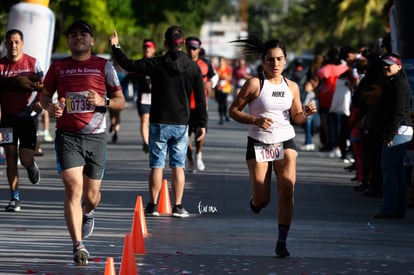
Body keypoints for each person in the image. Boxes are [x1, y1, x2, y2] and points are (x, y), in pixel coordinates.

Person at [40, 19, 125, 266]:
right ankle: (78, 245)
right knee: (73, 189)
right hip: (67, 136)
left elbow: (120, 101)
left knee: (92, 195)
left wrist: (103, 101)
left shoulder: (104, 66)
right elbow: (45, 96)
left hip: (96, 137)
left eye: (83, 35)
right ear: (68, 41)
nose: (78, 38)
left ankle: (87, 213)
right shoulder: (58, 68)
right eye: (73, 35)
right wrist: (51, 107)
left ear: (91, 40)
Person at [228, 37, 317, 257]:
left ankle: (282, 241)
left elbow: (296, 117)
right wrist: (254, 120)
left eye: (279, 59)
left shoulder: (292, 87)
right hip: (259, 142)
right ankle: (255, 201)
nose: (275, 64)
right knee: (263, 199)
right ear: (263, 61)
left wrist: (305, 113)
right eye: (270, 60)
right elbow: (234, 111)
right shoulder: (254, 84)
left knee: (287, 190)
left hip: (285, 140)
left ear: (285, 61)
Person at [109, 26, 207, 218]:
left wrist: (116, 46)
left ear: (165, 43)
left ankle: (153, 206)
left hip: (158, 122)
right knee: (178, 165)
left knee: (156, 165)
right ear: (183, 44)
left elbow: (128, 64)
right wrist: (202, 124)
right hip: (181, 123)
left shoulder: (156, 63)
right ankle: (178, 206)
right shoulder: (193, 67)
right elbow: (201, 99)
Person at [0, 29, 44, 212]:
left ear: (22, 44)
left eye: (16, 42)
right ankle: (14, 197)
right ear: (5, 44)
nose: (13, 45)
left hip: (27, 117)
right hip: (7, 119)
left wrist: (39, 103)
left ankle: (31, 165)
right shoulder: (0, 66)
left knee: (24, 158)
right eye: (9, 42)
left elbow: (46, 87)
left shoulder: (33, 63)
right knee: (10, 156)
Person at [373, 53, 412, 219]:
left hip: (398, 131)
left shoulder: (399, 85)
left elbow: (398, 112)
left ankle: (389, 208)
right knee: (397, 171)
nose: (386, 67)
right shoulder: (393, 83)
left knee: (389, 170)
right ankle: (397, 209)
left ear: (399, 66)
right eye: (384, 64)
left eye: (389, 64)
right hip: (399, 130)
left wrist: (389, 135)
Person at [185, 36, 218, 172]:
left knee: (200, 133)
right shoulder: (181, 62)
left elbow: (214, 76)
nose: (192, 51)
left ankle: (198, 155)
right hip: (184, 104)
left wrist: (210, 83)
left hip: (200, 104)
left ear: (199, 49)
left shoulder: (205, 63)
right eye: (189, 48)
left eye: (194, 49)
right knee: (185, 135)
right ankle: (190, 160)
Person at [134, 39, 157, 153]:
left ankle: (154, 141)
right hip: (143, 97)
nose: (147, 49)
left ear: (154, 49)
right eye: (145, 47)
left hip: (156, 97)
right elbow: (130, 76)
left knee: (154, 121)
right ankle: (146, 142)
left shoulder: (158, 64)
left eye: (149, 47)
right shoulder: (139, 64)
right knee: (145, 119)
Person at [215, 56, 233, 124]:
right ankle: (221, 118)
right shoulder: (216, 69)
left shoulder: (228, 68)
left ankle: (225, 115)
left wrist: (225, 77)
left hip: (226, 88)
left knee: (224, 102)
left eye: (222, 61)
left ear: (224, 62)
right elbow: (214, 78)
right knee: (220, 103)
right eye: (220, 61)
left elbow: (230, 77)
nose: (221, 62)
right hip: (218, 88)